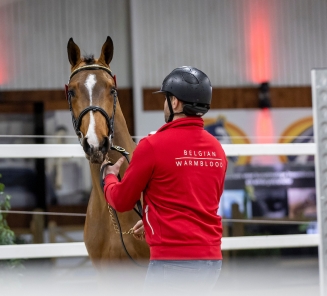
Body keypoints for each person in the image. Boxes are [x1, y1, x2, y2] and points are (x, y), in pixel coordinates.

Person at [102, 66, 227, 296]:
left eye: (166, 99)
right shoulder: (216, 149)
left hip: (173, 262)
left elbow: (121, 201)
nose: (164, 105)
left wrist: (109, 178)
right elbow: (195, 202)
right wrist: (152, 219)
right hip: (211, 261)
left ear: (176, 103)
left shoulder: (152, 146)